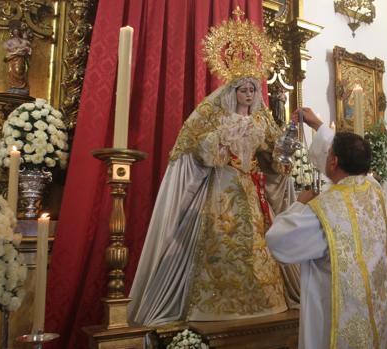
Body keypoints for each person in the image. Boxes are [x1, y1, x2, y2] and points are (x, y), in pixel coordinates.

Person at [128, 11, 300, 325]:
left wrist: (283, 152)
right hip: (221, 190)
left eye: (253, 89)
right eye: (243, 89)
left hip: (250, 190)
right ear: (232, 92)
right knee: (222, 241)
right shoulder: (215, 116)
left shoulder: (262, 120)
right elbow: (194, 148)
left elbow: (273, 158)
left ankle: (263, 301)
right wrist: (221, 139)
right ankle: (215, 305)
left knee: (257, 246)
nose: (249, 94)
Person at [265, 108, 387, 349]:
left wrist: (299, 202)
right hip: (373, 315)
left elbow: (278, 240)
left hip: (336, 318)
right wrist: (317, 124)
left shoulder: (323, 209)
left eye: (329, 154)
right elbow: (349, 158)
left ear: (334, 161)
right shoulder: (374, 190)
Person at [3, 20, 32, 94]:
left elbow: (27, 47)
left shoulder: (23, 40)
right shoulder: (9, 41)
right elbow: (6, 47)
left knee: (19, 70)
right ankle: (14, 86)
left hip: (20, 59)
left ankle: (21, 86)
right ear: (12, 32)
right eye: (14, 30)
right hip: (12, 59)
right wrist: (16, 52)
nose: (16, 32)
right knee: (11, 71)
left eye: (17, 30)